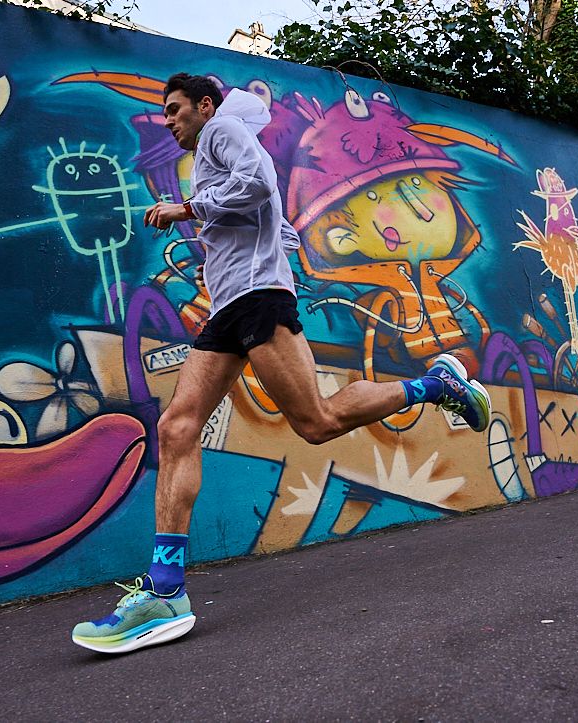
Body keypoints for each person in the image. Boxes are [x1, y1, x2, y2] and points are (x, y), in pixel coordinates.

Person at [71, 73, 492, 654]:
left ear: (204, 105)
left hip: (256, 300)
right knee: (177, 427)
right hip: (228, 306)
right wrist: (260, 246)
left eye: (174, 110)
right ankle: (165, 591)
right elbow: (274, 220)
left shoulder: (221, 131)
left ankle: (436, 385)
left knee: (316, 423)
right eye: (164, 113)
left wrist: (187, 209)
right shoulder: (220, 140)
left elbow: (258, 184)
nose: (168, 122)